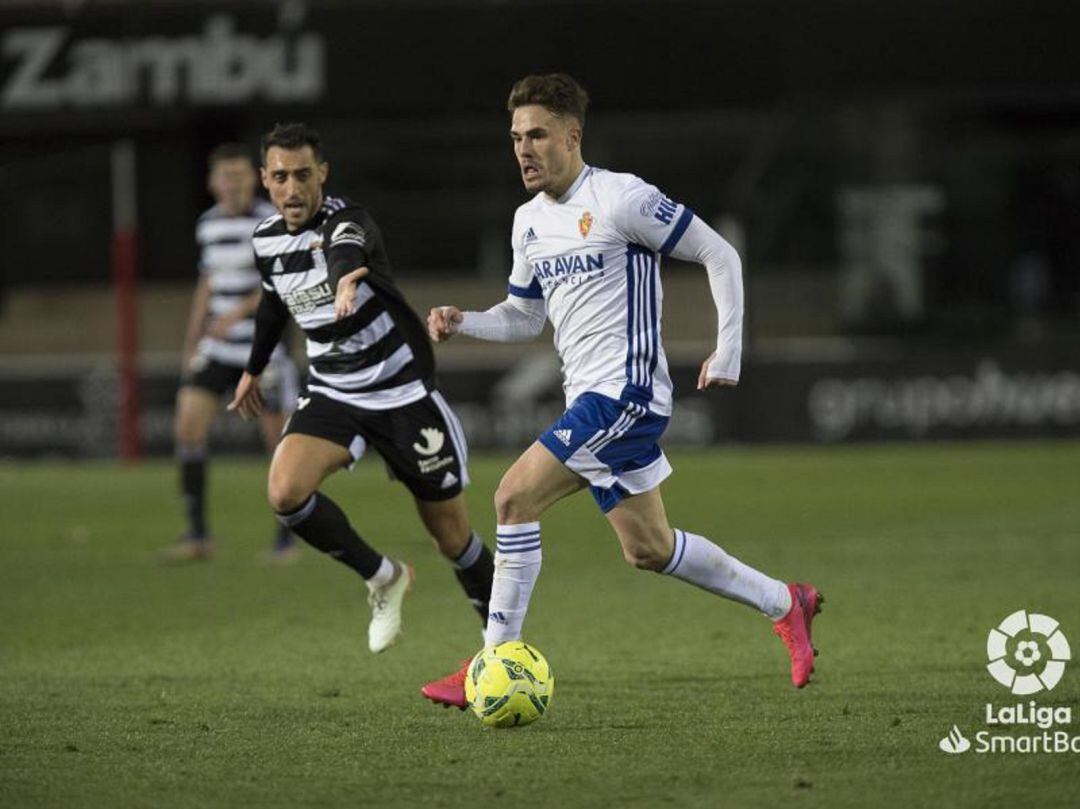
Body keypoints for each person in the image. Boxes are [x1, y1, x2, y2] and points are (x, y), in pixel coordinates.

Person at [424, 74, 823, 706]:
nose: (523, 149)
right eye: (515, 137)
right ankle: (786, 601)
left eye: (537, 135)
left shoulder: (620, 198)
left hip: (626, 396)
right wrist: (463, 320)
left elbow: (721, 254)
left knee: (512, 498)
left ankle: (491, 663)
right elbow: (527, 318)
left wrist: (730, 349)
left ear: (572, 135)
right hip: (589, 398)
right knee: (649, 548)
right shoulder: (528, 222)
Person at [228, 123, 495, 659]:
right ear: (266, 180)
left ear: (322, 173)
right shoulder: (265, 240)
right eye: (280, 177)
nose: (293, 187)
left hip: (402, 395)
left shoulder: (350, 221)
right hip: (334, 393)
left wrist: (347, 277)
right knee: (284, 493)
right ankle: (382, 576)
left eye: (303, 174)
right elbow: (275, 303)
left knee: (452, 537)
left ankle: (503, 648)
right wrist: (253, 368)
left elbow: (347, 250)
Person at [165, 143, 300, 562]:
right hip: (218, 348)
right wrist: (193, 342)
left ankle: (285, 540)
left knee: (276, 442)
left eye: (241, 176)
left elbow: (282, 286)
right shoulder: (207, 225)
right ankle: (198, 535)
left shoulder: (271, 222)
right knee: (188, 427)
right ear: (212, 183)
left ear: (256, 178)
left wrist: (239, 312)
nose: (233, 184)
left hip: (261, 349)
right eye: (225, 177)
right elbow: (207, 282)